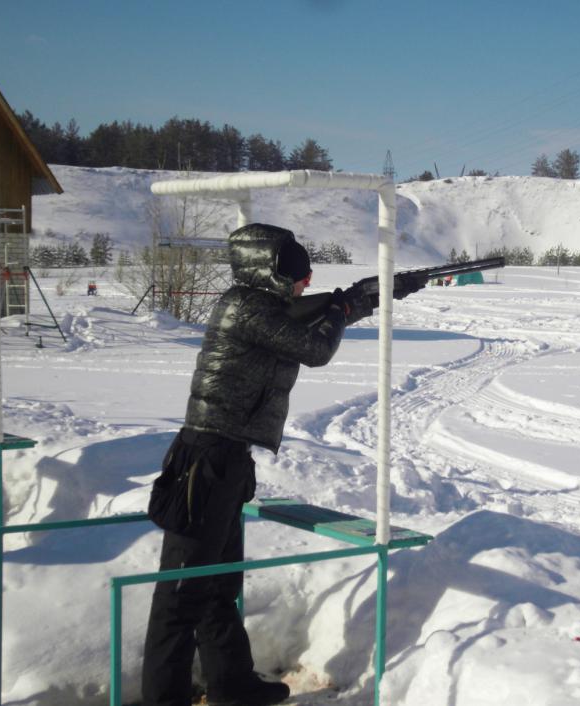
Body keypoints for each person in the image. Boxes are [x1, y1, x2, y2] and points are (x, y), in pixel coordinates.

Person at [141, 222, 419, 706]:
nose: (306, 281)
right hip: (205, 460)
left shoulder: (264, 308)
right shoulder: (245, 307)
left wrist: (362, 300)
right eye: (297, 274)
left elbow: (310, 324)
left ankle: (233, 686)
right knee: (180, 593)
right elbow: (315, 348)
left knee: (218, 584)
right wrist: (340, 309)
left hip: (229, 459)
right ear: (270, 272)